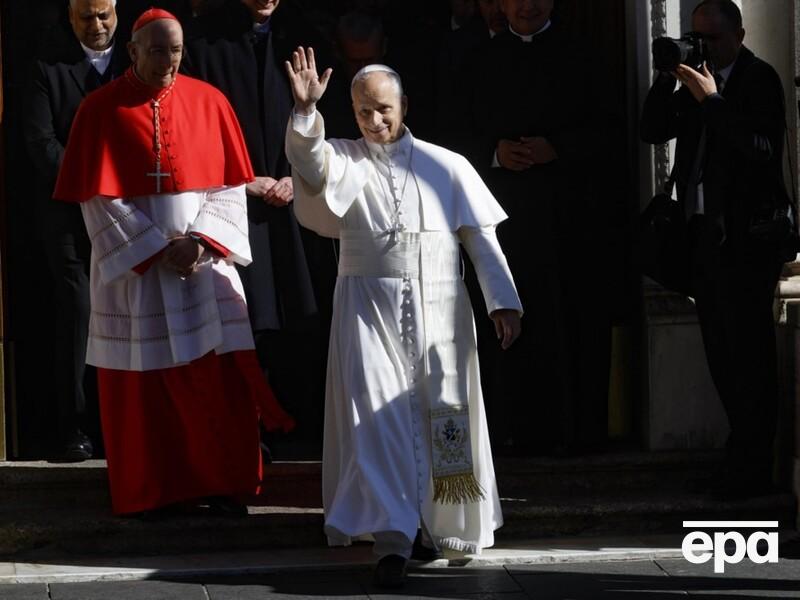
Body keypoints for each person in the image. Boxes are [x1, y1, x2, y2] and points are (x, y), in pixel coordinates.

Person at [284, 48, 522, 587]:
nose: (375, 121)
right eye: (364, 111)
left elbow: (481, 240)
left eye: (384, 110)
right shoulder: (344, 157)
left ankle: (447, 525)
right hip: (366, 310)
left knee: (445, 417)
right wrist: (304, 114)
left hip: (442, 310)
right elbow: (310, 163)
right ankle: (393, 537)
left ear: (405, 105)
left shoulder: (447, 164)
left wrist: (502, 301)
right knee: (379, 422)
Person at [53, 8, 294, 516]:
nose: (168, 60)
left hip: (202, 269)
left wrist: (202, 243)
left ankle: (221, 482)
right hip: (137, 274)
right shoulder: (100, 110)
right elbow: (95, 196)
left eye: (177, 49)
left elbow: (230, 183)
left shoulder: (211, 102)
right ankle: (154, 491)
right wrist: (158, 248)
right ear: (134, 51)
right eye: (157, 50)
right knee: (146, 389)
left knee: (215, 381)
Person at [641, 0, 787, 498]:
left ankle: (753, 467)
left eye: (714, 39)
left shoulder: (758, 79)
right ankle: (738, 461)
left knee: (750, 359)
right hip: (704, 237)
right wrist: (667, 77)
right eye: (696, 36)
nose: (704, 47)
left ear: (740, 34)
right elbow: (651, 131)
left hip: (748, 244)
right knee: (722, 356)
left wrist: (713, 102)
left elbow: (763, 150)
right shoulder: (692, 82)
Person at [453, 0, 611, 455]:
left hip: (570, 215)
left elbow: (608, 128)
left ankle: (575, 434)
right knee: (509, 317)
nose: (526, 5)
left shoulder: (583, 55)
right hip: (502, 217)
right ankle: (508, 429)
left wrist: (558, 148)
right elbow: (451, 133)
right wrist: (496, 153)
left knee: (570, 317)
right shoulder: (478, 61)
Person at [182, 0, 333, 453]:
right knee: (246, 318)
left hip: (298, 202)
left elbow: (337, 118)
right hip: (232, 200)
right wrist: (242, 178)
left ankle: (303, 432)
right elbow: (191, 123)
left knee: (303, 314)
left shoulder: (306, 34)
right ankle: (251, 435)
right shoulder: (204, 41)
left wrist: (298, 171)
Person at [23, 0, 129, 462]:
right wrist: (96, 181)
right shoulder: (46, 67)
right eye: (86, 17)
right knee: (78, 312)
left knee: (129, 309)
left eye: (104, 14)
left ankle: (125, 425)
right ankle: (75, 427)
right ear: (69, 17)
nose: (97, 25)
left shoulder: (134, 60)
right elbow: (41, 143)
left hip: (131, 211)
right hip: (69, 211)